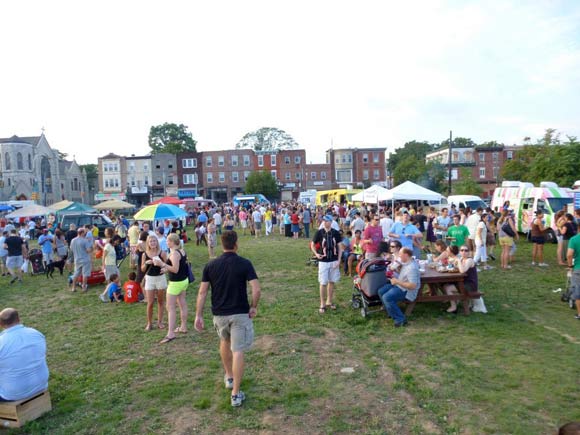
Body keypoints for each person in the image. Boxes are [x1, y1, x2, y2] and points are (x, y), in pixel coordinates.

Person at [194, 231, 261, 407]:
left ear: (221, 245)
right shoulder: (245, 263)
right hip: (239, 313)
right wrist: (253, 306)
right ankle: (235, 394)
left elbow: (202, 292)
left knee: (225, 341)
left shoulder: (211, 265)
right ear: (236, 244)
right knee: (238, 350)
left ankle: (229, 377)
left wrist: (198, 315)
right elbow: (256, 289)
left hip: (219, 314)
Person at [0, 308, 49, 401]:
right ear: (18, 318)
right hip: (41, 384)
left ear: (0, 324)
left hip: (14, 393)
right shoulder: (36, 333)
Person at [156, 233, 190, 343]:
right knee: (182, 303)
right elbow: (179, 267)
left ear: (173, 242)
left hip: (176, 283)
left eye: (168, 241)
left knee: (170, 307)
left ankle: (170, 333)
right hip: (183, 281)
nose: (166, 242)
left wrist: (162, 264)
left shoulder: (175, 253)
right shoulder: (181, 251)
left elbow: (175, 269)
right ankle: (183, 326)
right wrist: (166, 269)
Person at [376, 247, 420, 327]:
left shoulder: (412, 268)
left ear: (406, 255)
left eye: (400, 254)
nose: (399, 257)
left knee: (387, 297)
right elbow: (405, 276)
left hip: (407, 291)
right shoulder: (406, 263)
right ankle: (391, 312)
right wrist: (396, 270)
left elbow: (413, 286)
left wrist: (397, 281)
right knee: (381, 291)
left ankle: (400, 320)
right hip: (400, 286)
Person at [311, 215, 342, 313]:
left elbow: (340, 247)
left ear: (331, 222)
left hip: (333, 260)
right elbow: (312, 244)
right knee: (323, 282)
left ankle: (329, 301)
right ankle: (322, 303)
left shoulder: (336, 233)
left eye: (327, 221)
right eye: (324, 220)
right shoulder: (319, 233)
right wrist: (316, 254)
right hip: (323, 261)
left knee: (331, 281)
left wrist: (339, 260)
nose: (325, 222)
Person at [142, 235, 168, 331]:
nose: (153, 243)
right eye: (151, 241)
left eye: (154, 241)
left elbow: (168, 266)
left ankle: (160, 322)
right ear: (148, 243)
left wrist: (165, 270)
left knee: (161, 301)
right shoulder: (145, 254)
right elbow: (142, 269)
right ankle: (149, 323)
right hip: (150, 278)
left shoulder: (162, 253)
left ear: (157, 242)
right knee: (150, 302)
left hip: (160, 278)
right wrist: (146, 263)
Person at [566, 227, 580, 320]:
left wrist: (570, 266)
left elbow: (569, 254)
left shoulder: (574, 239)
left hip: (578, 269)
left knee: (578, 291)